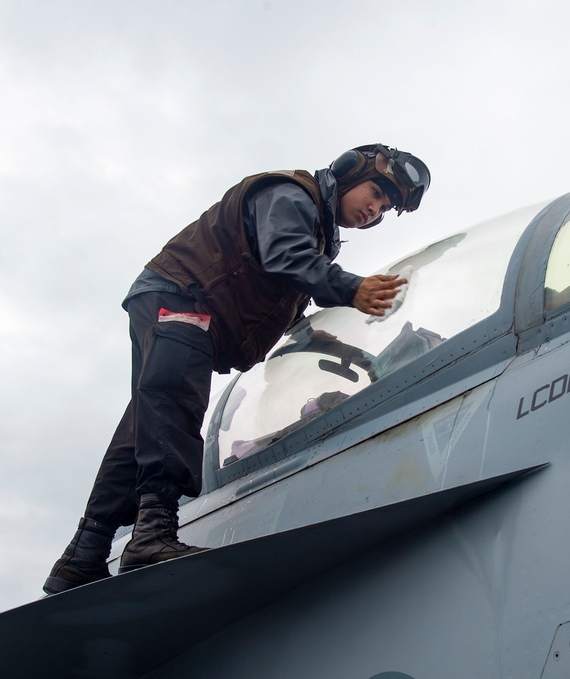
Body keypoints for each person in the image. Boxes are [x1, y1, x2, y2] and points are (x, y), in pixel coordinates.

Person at [43, 144, 430, 595]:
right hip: (182, 296)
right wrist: (352, 287)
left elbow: (288, 307)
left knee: (145, 423)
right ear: (348, 172)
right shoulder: (291, 195)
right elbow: (286, 257)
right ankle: (151, 534)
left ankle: (84, 553)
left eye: (385, 206)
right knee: (174, 403)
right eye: (376, 192)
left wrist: (349, 350)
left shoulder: (314, 232)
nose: (375, 209)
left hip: (178, 302)